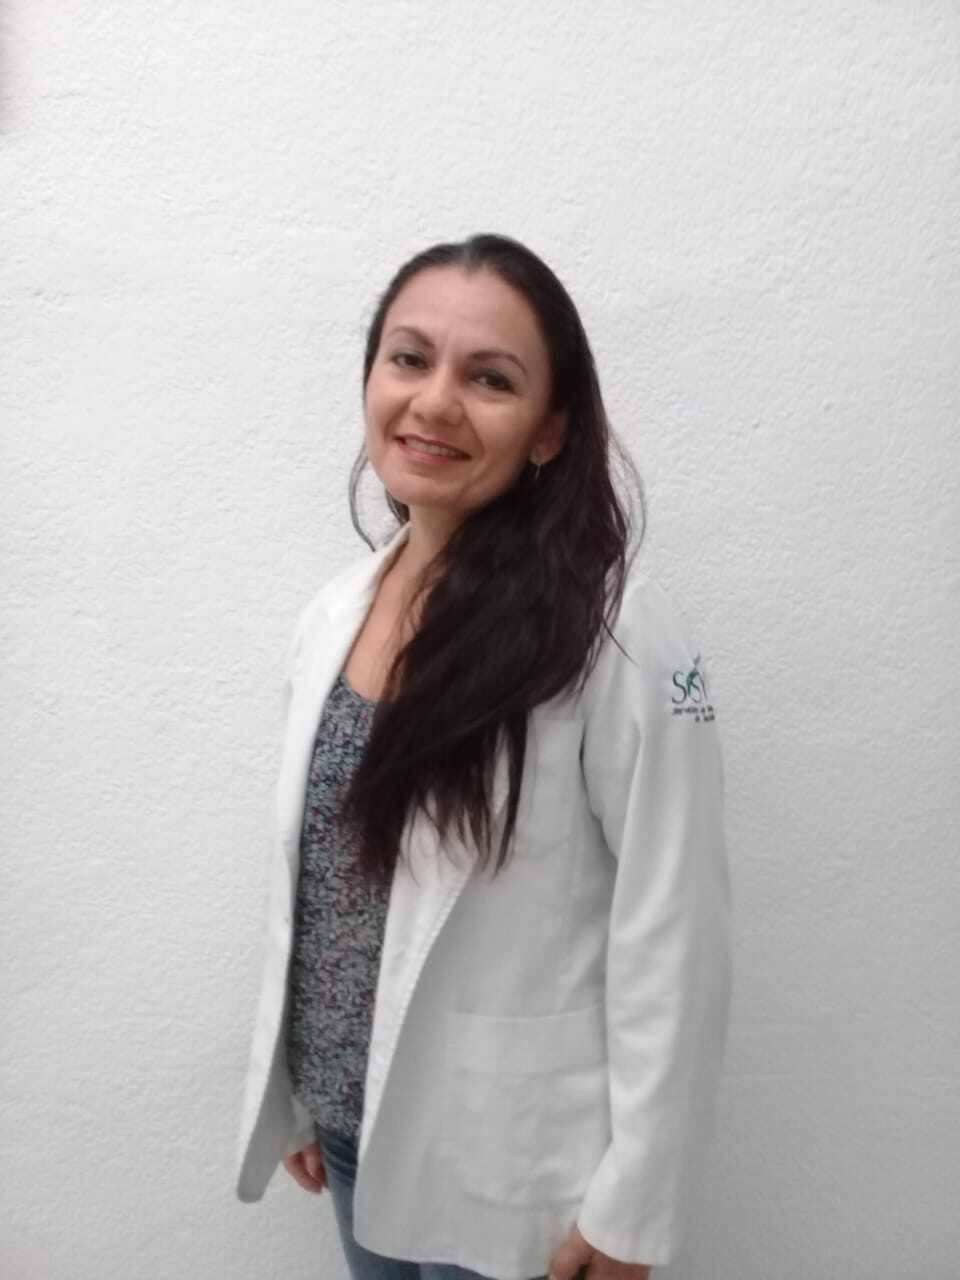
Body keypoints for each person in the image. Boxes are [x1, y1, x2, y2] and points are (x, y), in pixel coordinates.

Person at [234, 233, 733, 1280]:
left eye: (491, 378)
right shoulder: (335, 611)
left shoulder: (615, 633)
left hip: (517, 1170)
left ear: (551, 429)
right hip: (355, 1135)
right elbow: (321, 886)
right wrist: (298, 1088)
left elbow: (675, 928)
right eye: (409, 359)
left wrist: (635, 1204)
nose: (435, 402)